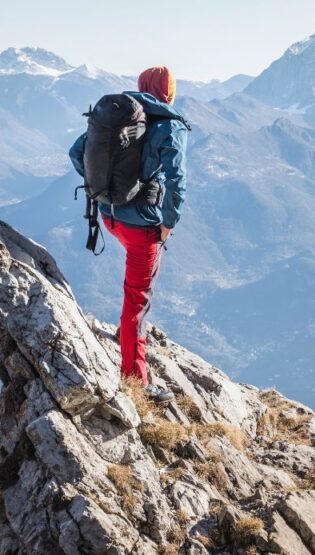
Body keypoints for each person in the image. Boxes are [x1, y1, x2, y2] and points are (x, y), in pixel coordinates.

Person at [68, 66, 189, 405]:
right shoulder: (169, 126)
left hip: (109, 218)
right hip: (142, 228)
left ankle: (128, 335)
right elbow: (177, 181)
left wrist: (103, 191)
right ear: (169, 92)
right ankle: (136, 381)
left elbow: (76, 153)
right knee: (137, 298)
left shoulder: (114, 115)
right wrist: (169, 222)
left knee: (136, 292)